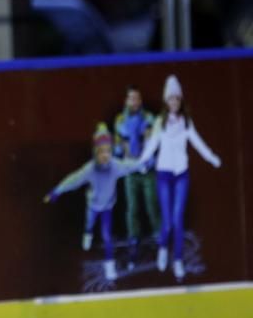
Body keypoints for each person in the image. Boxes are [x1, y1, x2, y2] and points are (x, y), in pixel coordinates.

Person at [138, 75, 222, 281]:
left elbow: (197, 142)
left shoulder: (186, 122)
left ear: (180, 100)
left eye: (177, 99)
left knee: (178, 219)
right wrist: (141, 161)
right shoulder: (160, 122)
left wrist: (211, 157)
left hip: (181, 174)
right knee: (167, 221)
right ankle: (163, 249)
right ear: (166, 101)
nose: (174, 102)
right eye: (170, 99)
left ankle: (177, 261)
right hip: (163, 175)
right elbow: (151, 146)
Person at [45, 123, 140, 281]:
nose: (105, 155)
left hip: (108, 207)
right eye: (101, 151)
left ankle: (109, 266)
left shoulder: (116, 166)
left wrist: (144, 163)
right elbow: (73, 180)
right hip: (93, 205)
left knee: (107, 236)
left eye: (108, 151)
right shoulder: (90, 169)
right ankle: (87, 234)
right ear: (96, 152)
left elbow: (130, 165)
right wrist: (57, 191)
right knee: (89, 223)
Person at [113, 85, 161, 268]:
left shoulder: (149, 118)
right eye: (131, 98)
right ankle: (134, 241)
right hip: (130, 170)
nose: (135, 102)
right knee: (132, 208)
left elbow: (154, 142)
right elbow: (118, 146)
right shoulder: (120, 120)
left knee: (152, 204)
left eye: (138, 98)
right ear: (126, 100)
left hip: (147, 169)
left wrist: (146, 159)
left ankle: (159, 239)